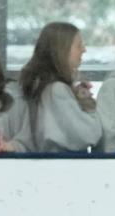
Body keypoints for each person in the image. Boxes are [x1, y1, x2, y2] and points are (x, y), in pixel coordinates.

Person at [19, 22, 102, 153]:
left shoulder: (41, 87)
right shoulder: (57, 91)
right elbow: (91, 134)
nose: (84, 49)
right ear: (63, 50)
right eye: (79, 45)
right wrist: (88, 105)